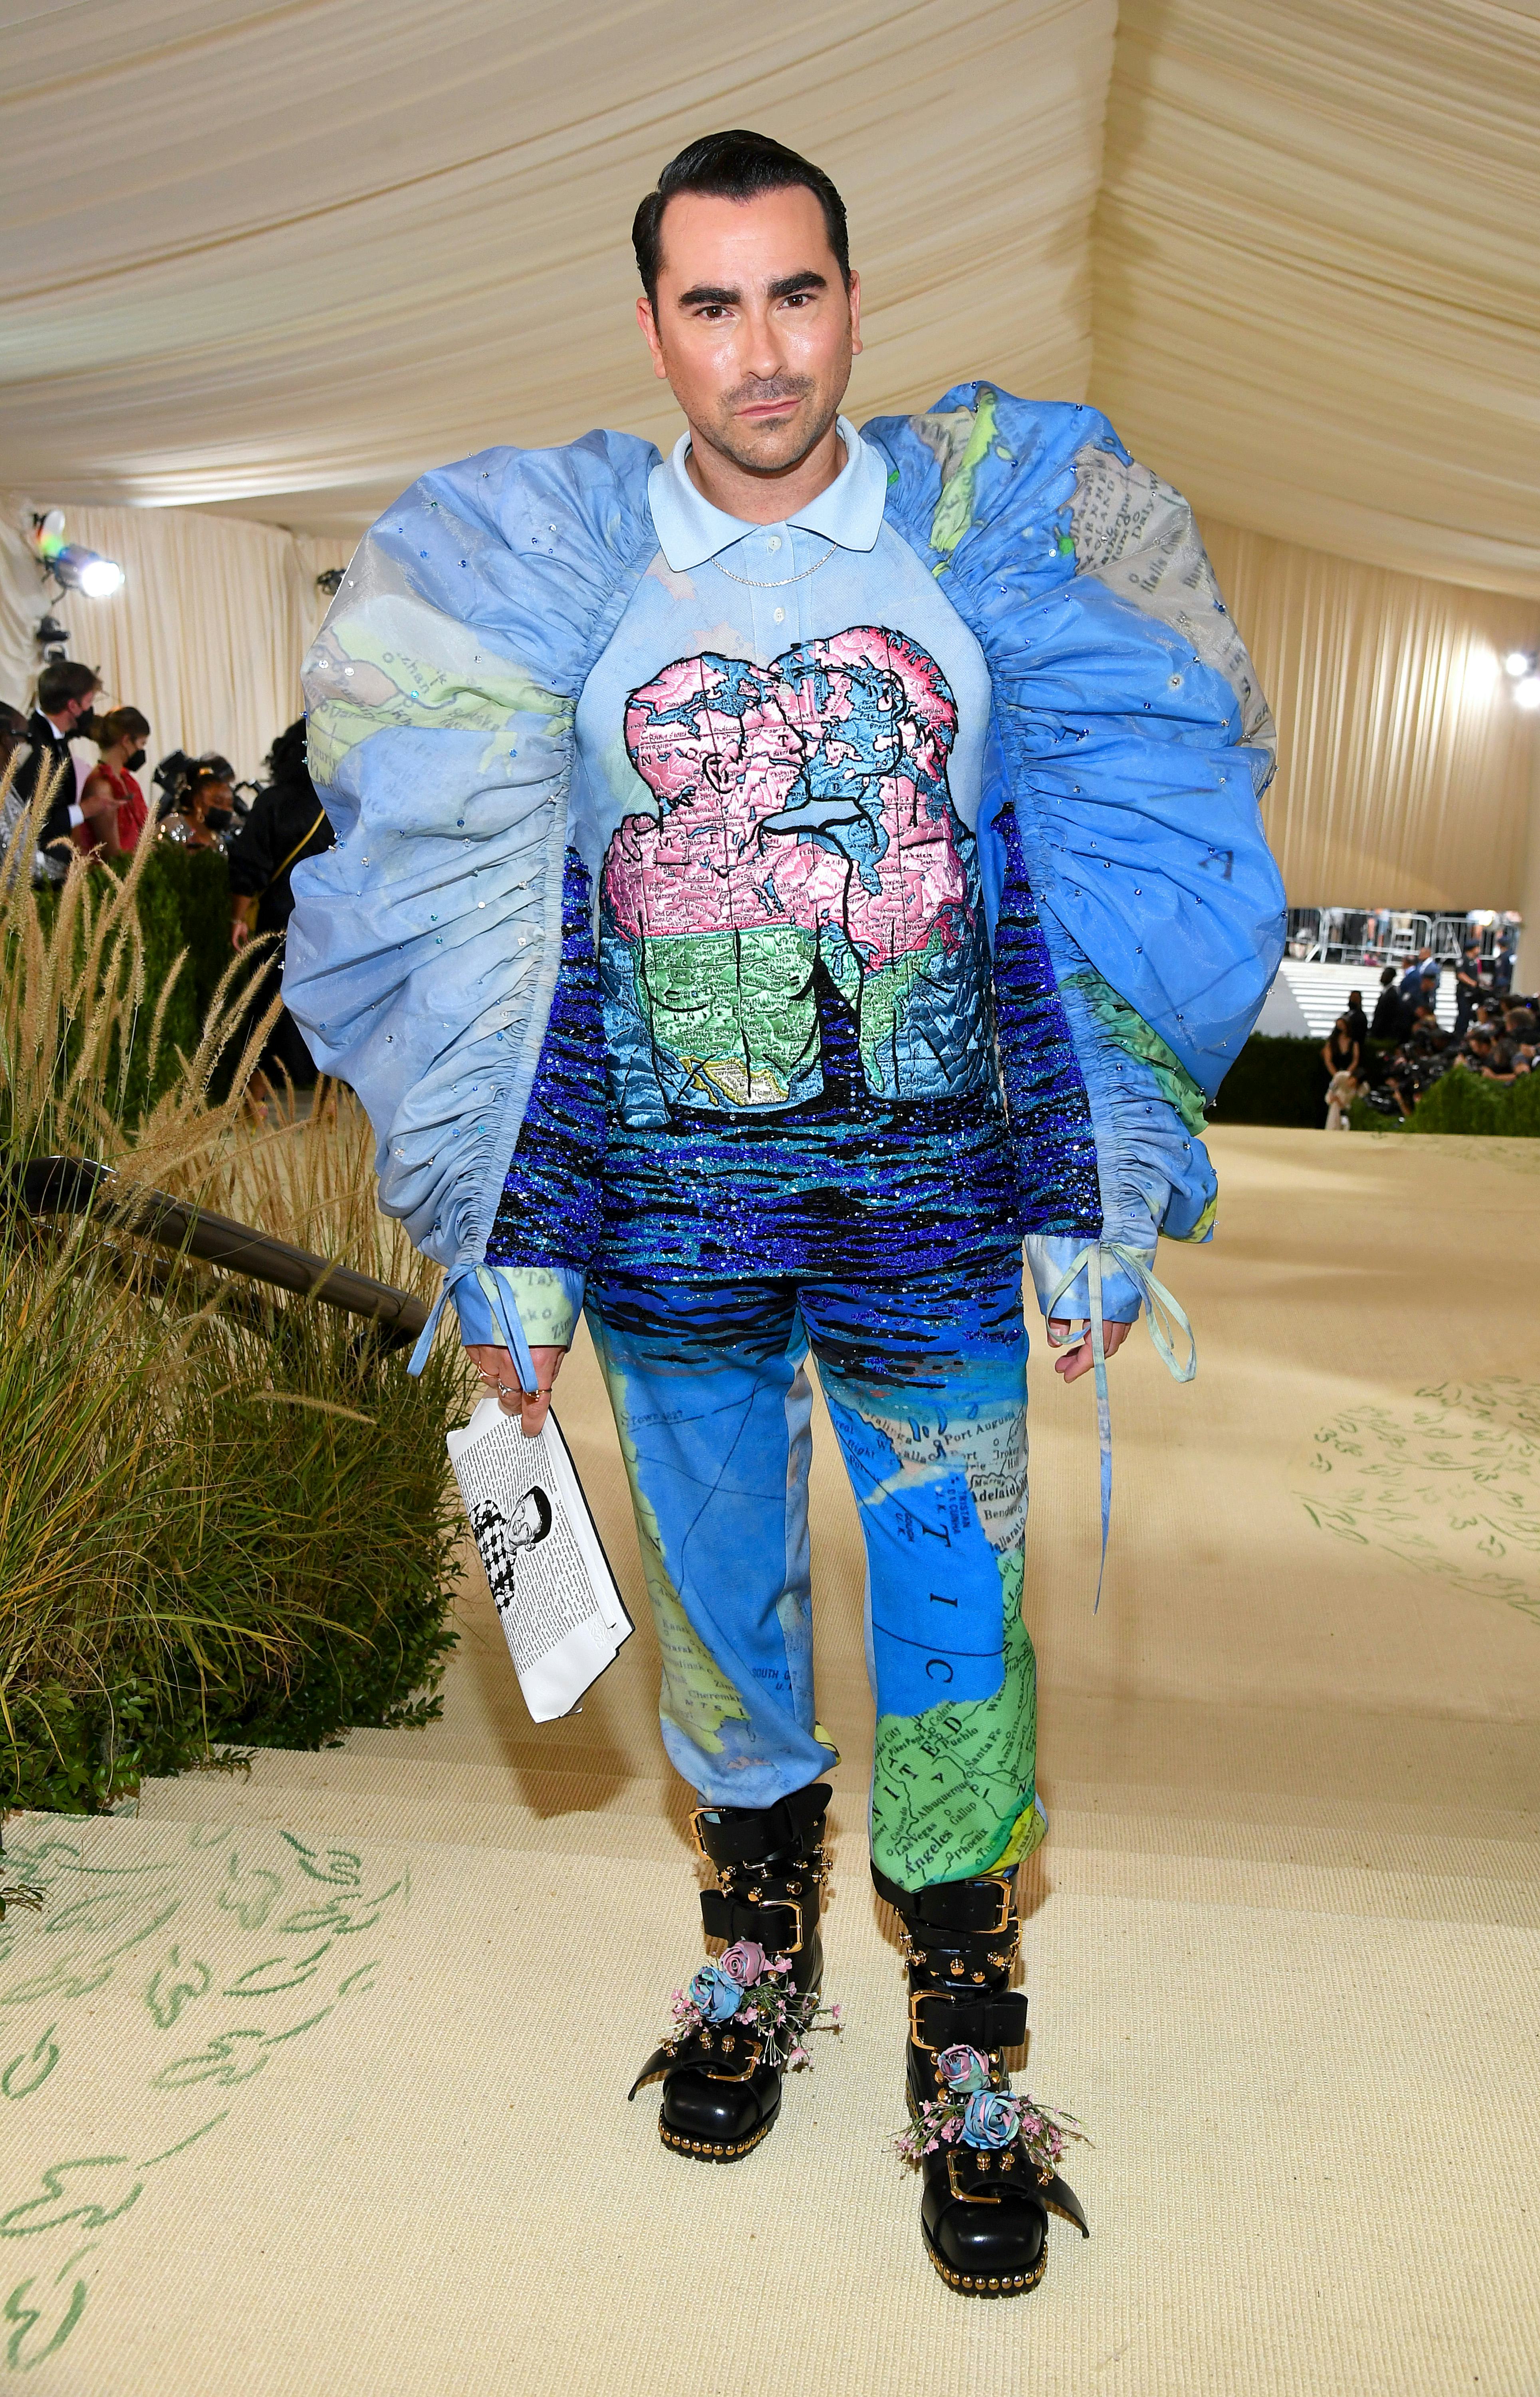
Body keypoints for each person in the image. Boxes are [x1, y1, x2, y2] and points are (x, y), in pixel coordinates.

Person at [284, 130, 1284, 2298]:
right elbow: (524, 963)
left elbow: (1051, 899)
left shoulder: (982, 566)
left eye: (799, 295)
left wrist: (1092, 1196)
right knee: (725, 1609)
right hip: (674, 1254)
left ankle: (965, 2020)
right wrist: (510, 1264)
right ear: (652, 322)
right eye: (714, 304)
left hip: (928, 1240)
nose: (763, 349)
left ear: (855, 298)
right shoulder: (561, 592)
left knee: (949, 1628)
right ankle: (754, 1935)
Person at [228, 718, 334, 1089]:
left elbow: (250, 863)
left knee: (270, 1001)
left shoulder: (271, 802)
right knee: (323, 1002)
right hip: (327, 921)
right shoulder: (341, 805)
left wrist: (238, 918)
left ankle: (263, 1084)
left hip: (279, 921)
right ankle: (325, 1091)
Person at [8, 659, 119, 877]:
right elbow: (27, 821)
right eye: (90, 701)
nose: (91, 709)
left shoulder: (57, 740)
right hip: (34, 874)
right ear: (73, 706)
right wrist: (84, 810)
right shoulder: (33, 746)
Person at [75, 706, 151, 855]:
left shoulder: (127, 781)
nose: (142, 751)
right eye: (142, 744)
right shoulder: (101, 786)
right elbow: (112, 854)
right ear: (126, 740)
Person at [1369, 965, 1407, 1042]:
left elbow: (1387, 1016)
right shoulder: (1386, 992)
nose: (1382, 977)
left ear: (1390, 977)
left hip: (1384, 1034)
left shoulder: (1392, 995)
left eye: (1385, 974)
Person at [1322, 1013, 1361, 1087]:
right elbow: (1328, 1061)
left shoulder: (1354, 1043)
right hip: (1333, 1074)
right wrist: (1336, 1076)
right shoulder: (1331, 1043)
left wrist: (1347, 1074)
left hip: (1348, 1075)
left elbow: (1355, 1060)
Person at [1343, 988, 1369, 1054]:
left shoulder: (1361, 1017)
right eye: (1351, 998)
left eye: (1355, 998)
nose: (1352, 1000)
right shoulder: (1346, 1015)